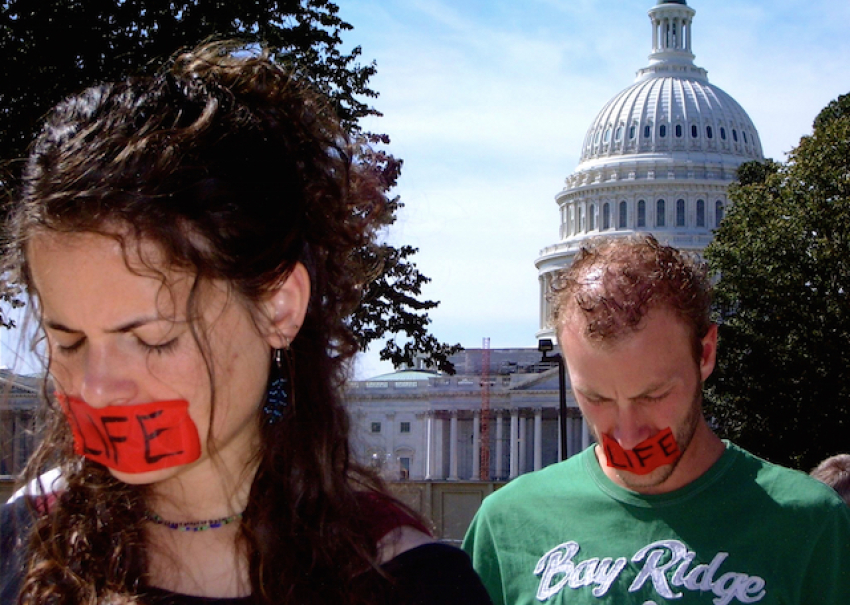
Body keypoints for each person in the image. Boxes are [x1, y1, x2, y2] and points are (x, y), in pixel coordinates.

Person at [0, 41, 492, 605]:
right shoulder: (20, 549)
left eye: (152, 339)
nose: (96, 387)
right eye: (67, 341)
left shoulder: (410, 584)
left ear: (278, 308)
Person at [463, 234, 850, 604]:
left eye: (653, 395)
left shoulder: (810, 525)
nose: (629, 436)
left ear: (705, 354)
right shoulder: (506, 526)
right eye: (596, 398)